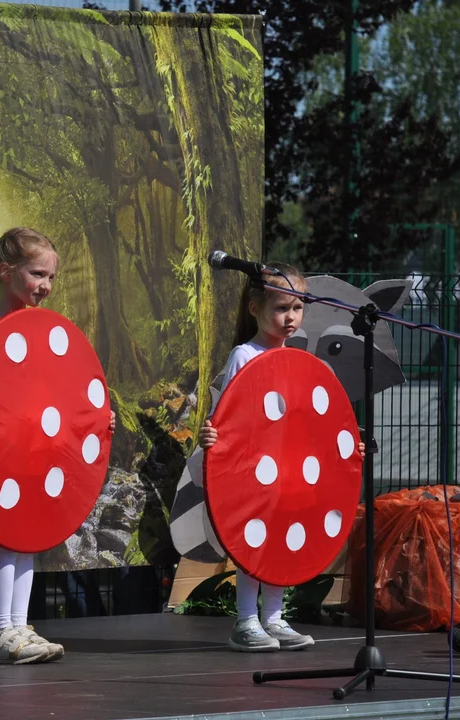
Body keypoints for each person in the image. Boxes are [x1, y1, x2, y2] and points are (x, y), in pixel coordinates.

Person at [0, 227, 115, 664]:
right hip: (4, 454)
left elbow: (58, 395)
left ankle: (19, 624)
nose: (46, 286)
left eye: (51, 277)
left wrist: (97, 417)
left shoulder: (40, 331)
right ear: (6, 272)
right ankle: (0, 632)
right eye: (38, 274)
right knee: (7, 537)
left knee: (26, 539)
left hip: (36, 452)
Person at [198, 263, 363, 653]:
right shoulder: (244, 355)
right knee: (253, 542)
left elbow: (308, 423)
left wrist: (344, 448)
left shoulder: (300, 361)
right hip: (253, 470)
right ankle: (246, 621)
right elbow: (229, 414)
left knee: (278, 542)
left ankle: (273, 618)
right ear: (255, 308)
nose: (291, 317)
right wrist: (212, 434)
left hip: (286, 472)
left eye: (298, 307)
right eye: (281, 308)